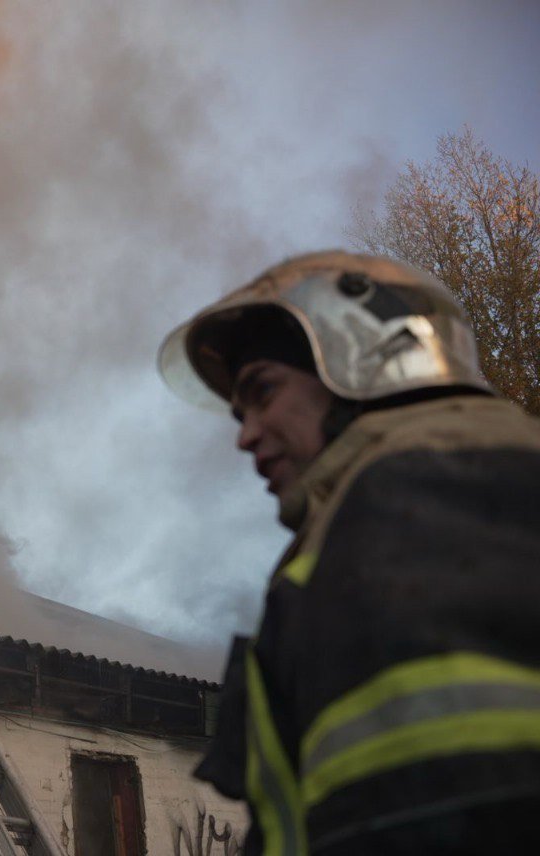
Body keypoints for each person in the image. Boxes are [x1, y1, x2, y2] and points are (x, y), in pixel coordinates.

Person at [157, 250, 540, 855]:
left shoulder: (429, 489)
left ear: (367, 357)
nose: (245, 434)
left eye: (263, 391)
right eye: (238, 412)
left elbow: (453, 806)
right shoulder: (396, 503)